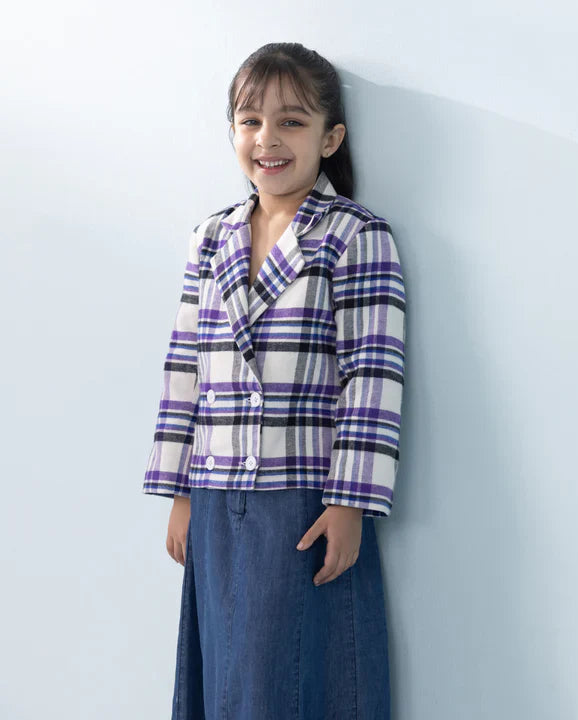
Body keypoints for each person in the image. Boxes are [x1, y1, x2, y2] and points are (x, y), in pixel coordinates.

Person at [143, 42, 407, 720]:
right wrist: (179, 491)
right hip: (215, 491)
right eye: (251, 120)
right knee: (225, 680)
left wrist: (350, 503)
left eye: (292, 121)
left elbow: (372, 374)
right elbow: (185, 365)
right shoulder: (211, 237)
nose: (268, 138)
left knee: (291, 679)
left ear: (330, 138)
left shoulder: (355, 235)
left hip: (304, 499)